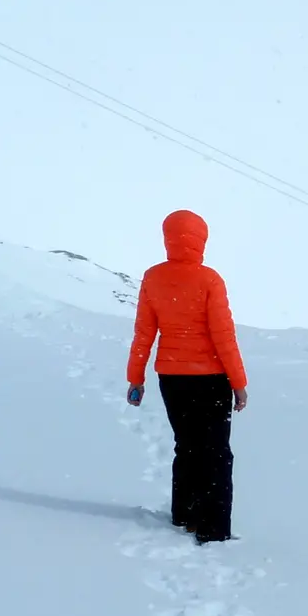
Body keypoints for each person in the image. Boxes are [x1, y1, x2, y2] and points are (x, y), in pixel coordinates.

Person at [126, 210, 248, 543]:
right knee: (217, 453)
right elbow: (224, 337)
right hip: (211, 379)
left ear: (167, 238)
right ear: (202, 239)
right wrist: (239, 384)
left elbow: (143, 333)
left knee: (188, 446)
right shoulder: (210, 280)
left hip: (172, 378)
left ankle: (184, 514)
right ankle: (214, 528)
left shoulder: (153, 277)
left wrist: (136, 379)